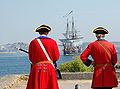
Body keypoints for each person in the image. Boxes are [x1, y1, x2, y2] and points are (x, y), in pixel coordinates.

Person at [26, 25, 60, 89]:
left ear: (39, 32)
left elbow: (31, 58)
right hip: (49, 68)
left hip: (37, 68)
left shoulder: (33, 42)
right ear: (47, 33)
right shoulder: (53, 42)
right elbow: (56, 57)